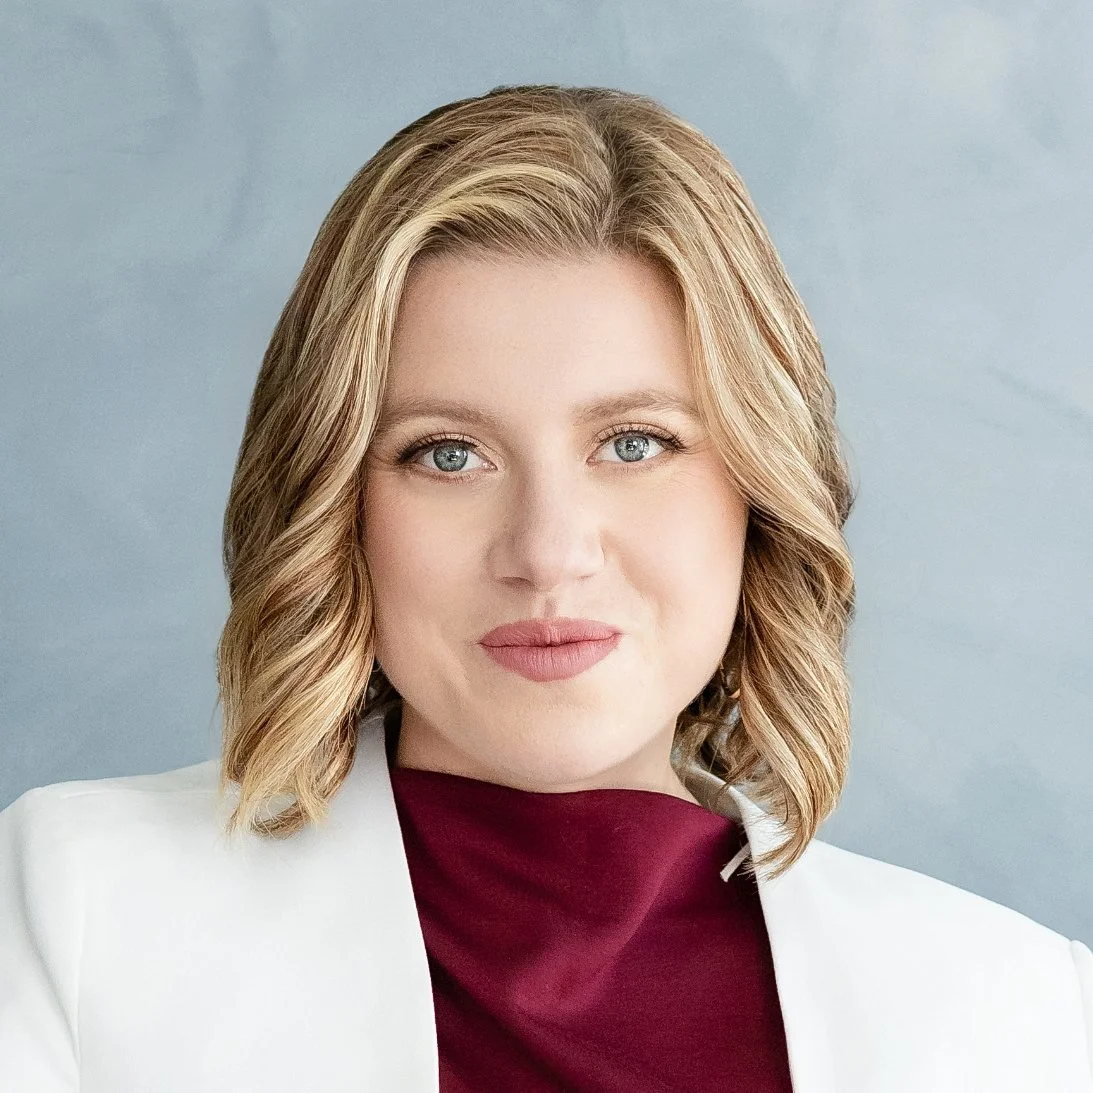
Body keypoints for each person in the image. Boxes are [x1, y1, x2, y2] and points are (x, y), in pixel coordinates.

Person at [1, 83, 1090, 1093]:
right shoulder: (74, 909)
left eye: (633, 442)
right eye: (445, 454)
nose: (546, 550)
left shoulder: (1022, 1018)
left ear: (758, 490)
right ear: (335, 505)